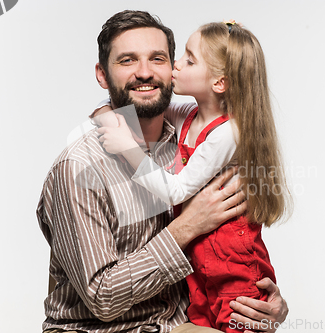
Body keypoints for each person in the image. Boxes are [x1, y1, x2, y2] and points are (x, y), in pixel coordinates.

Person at [37, 10, 288, 333]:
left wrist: (265, 301)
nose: (144, 72)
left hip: (182, 319)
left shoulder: (187, 134)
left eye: (158, 59)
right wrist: (187, 226)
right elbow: (102, 300)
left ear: (171, 69)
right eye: (127, 61)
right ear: (102, 75)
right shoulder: (79, 168)